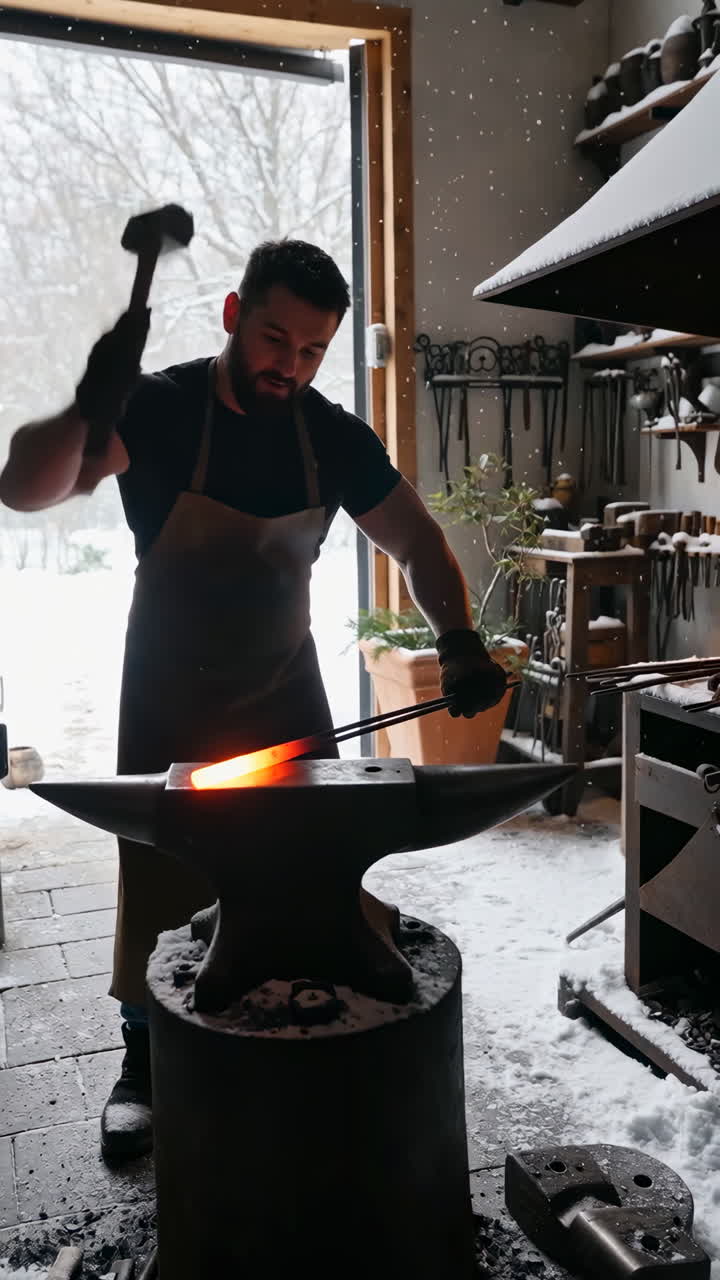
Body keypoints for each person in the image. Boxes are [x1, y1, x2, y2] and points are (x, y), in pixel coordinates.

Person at [0, 239, 506, 1160]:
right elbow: (24, 486)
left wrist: (458, 637)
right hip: (168, 693)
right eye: (276, 339)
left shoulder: (330, 435)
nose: (292, 365)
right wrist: (88, 403)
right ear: (234, 316)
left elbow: (418, 544)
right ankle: (143, 1063)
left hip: (285, 695)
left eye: (313, 350)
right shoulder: (157, 409)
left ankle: (284, 1018)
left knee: (296, 869)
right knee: (160, 879)